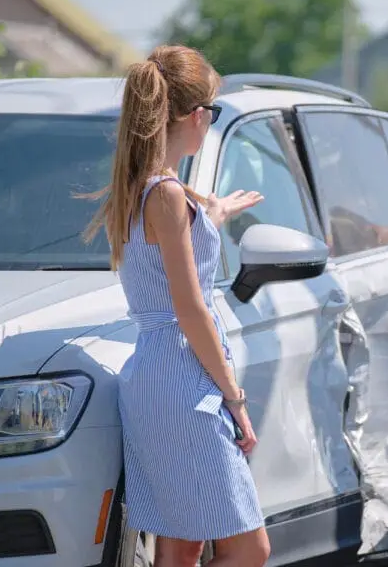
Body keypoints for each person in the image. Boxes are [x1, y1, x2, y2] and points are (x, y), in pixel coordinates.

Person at [82, 45, 269, 567]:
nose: (210, 121)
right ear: (194, 117)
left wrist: (212, 214)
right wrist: (235, 398)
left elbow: (170, 252)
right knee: (250, 549)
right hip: (185, 384)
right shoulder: (165, 194)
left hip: (155, 378)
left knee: (181, 548)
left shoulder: (142, 188)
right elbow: (191, 309)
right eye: (212, 111)